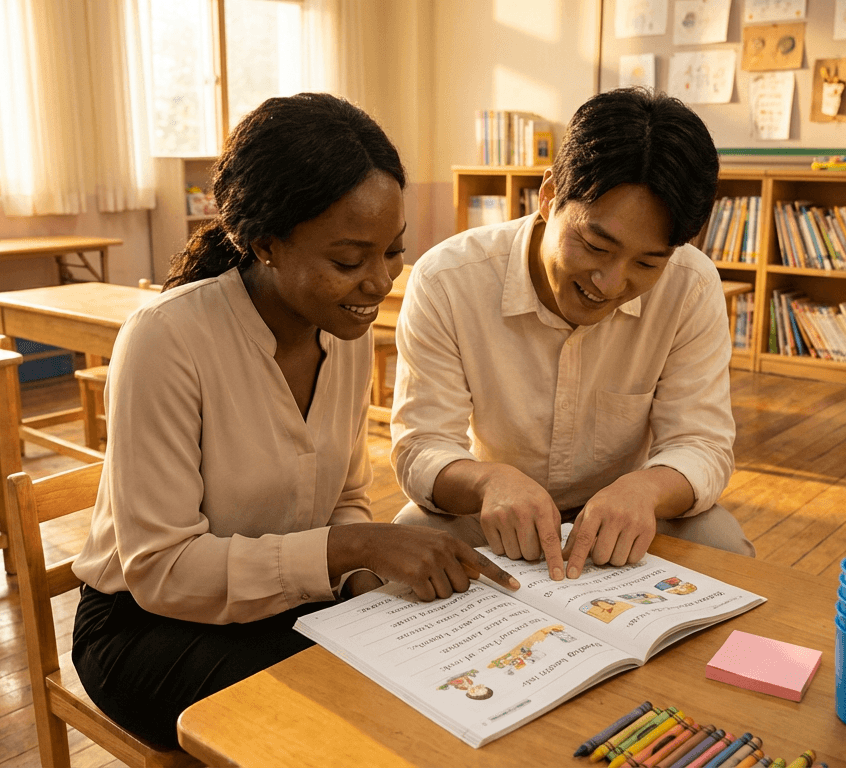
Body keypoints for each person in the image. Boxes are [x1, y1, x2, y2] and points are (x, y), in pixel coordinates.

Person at [70, 93, 516, 749]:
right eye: (348, 260)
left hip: (285, 605)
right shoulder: (165, 340)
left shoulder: (345, 330)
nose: (379, 283)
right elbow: (162, 571)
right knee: (350, 723)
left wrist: (370, 578)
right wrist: (355, 550)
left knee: (437, 685)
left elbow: (345, 498)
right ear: (267, 244)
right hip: (146, 628)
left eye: (392, 252)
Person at [391, 88, 754, 586]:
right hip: (491, 505)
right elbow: (422, 444)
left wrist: (646, 489)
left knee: (721, 543)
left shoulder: (690, 285)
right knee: (412, 536)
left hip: (624, 509)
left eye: (647, 262)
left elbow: (702, 442)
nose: (609, 282)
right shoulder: (449, 279)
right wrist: (488, 481)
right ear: (547, 196)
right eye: (594, 244)